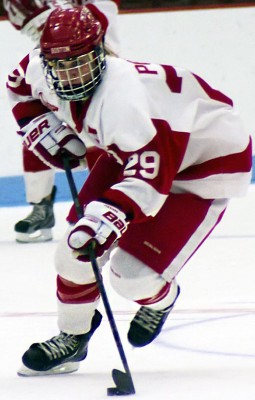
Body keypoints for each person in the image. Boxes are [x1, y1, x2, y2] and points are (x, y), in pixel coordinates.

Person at [6, 5, 252, 376]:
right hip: (141, 152)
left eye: (79, 63)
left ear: (100, 52)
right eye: (61, 66)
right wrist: (41, 126)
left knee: (133, 277)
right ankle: (73, 337)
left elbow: (147, 180)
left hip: (204, 164)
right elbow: (19, 88)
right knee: (72, 252)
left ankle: (161, 299)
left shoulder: (125, 103)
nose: (70, 76)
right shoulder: (40, 67)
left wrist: (105, 220)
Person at [4, 0, 120, 242]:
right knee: (41, 132)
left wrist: (54, 18)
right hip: (59, 67)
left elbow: (102, 15)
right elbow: (41, 33)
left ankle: (112, 203)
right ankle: (41, 207)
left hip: (97, 65)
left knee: (100, 139)